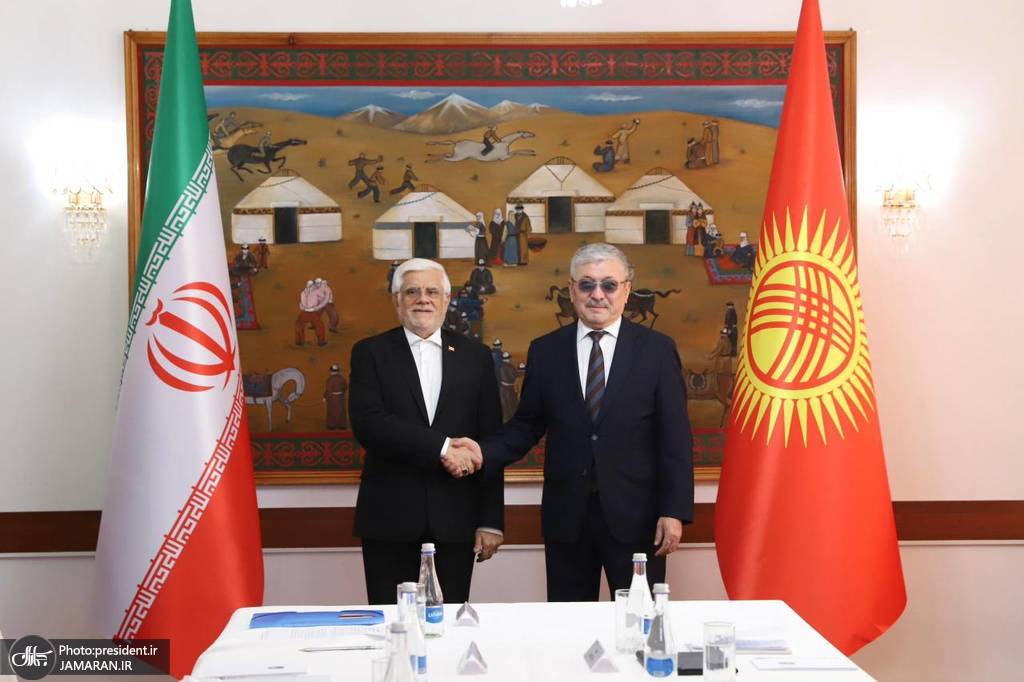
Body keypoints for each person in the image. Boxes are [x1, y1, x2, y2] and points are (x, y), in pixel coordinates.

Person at [446, 243, 694, 602]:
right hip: (567, 518)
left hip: (638, 518)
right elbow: (527, 424)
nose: (598, 294)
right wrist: (482, 451)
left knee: (640, 623)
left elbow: (675, 438)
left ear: (626, 290)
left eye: (609, 285)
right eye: (587, 284)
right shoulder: (546, 350)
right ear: (572, 289)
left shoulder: (657, 350)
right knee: (568, 625)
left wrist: (673, 511)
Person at [349, 258, 505, 605]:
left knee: (446, 624)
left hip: (456, 519)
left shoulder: (476, 357)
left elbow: (489, 440)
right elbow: (369, 423)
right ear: (397, 301)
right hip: (389, 518)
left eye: (432, 291)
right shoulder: (370, 353)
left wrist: (491, 520)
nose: (423, 299)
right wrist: (443, 447)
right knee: (393, 623)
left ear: (447, 300)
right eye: (412, 292)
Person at [294, 279, 328, 346]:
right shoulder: (315, 292)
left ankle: (299, 341)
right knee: (319, 326)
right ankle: (321, 341)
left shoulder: (303, 292)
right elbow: (323, 299)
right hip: (312, 312)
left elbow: (301, 304)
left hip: (305, 312)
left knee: (298, 324)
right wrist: (318, 306)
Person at [323, 363, 349, 430]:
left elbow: (329, 390)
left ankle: (332, 425)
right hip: (341, 397)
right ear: (338, 370)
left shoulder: (330, 379)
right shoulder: (342, 378)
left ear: (331, 371)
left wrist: (325, 397)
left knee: (332, 412)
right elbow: (345, 387)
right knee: (341, 412)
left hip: (333, 398)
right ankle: (342, 425)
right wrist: (341, 393)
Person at [497, 351, 519, 422]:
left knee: (505, 404)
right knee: (511, 404)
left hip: (502, 388)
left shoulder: (500, 366)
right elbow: (515, 376)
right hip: (509, 388)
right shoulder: (510, 367)